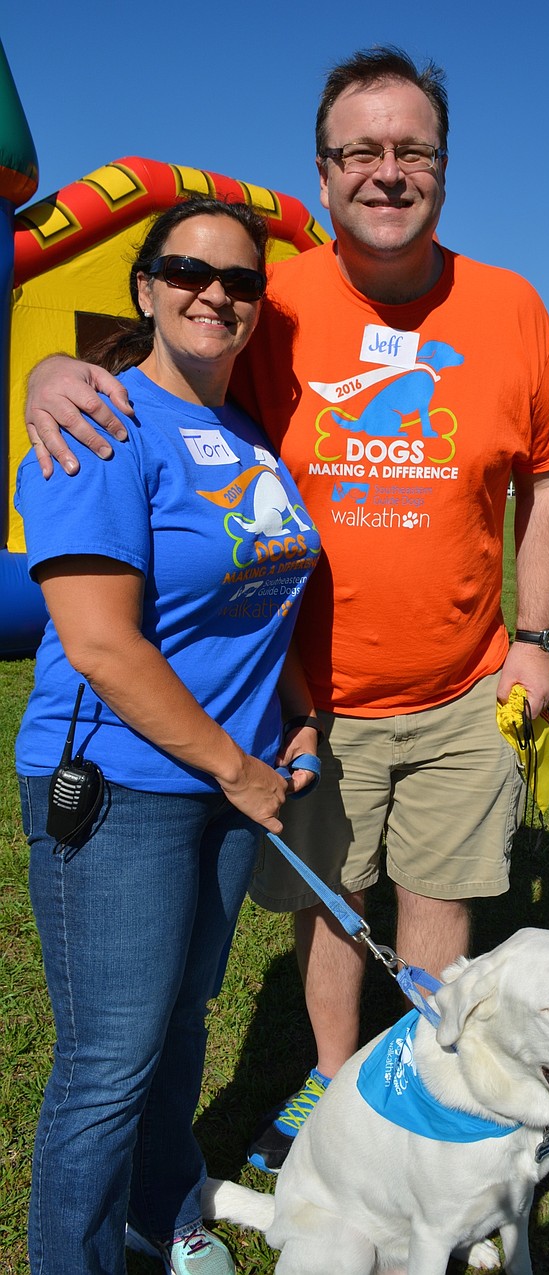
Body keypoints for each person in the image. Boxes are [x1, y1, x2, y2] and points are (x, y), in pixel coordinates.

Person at [24, 46, 549, 1175]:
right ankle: (334, 1076)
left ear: (443, 167)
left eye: (412, 150)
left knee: (439, 890)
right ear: (323, 173)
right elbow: (168, 375)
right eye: (360, 151)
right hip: (307, 695)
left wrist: (534, 638)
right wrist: (55, 370)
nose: (388, 171)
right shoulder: (269, 301)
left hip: (463, 679)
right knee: (329, 900)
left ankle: (425, 1080)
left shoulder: (509, 305)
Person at [16, 196, 322, 1274]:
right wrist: (240, 769)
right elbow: (101, 644)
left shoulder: (249, 436)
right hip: (123, 785)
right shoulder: (96, 421)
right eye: (189, 271)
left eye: (240, 281)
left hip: (228, 786)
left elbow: (262, 600)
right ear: (145, 289)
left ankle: (160, 1213)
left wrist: (297, 719)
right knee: (109, 1061)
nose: (215, 294)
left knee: (183, 1021)